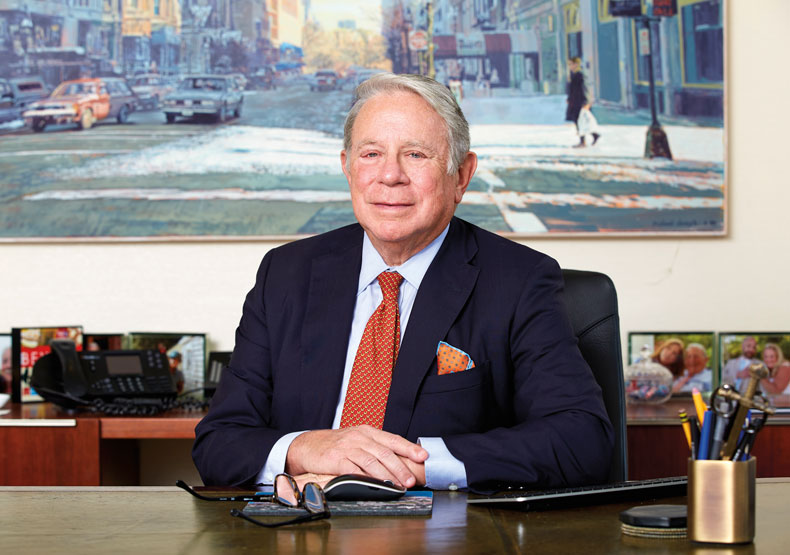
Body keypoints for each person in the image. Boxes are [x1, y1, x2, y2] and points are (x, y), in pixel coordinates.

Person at [192, 73, 613, 492]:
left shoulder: (519, 280)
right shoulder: (285, 274)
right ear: (347, 167)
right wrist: (304, 448)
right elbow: (219, 442)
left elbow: (581, 439)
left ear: (462, 175)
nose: (389, 175)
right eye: (371, 154)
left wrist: (411, 467)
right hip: (300, 530)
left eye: (415, 154)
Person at [565, 57, 601, 148]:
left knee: (580, 121)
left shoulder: (580, 75)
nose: (569, 66)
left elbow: (585, 89)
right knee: (580, 121)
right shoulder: (574, 74)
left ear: (576, 64)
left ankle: (584, 141)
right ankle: (594, 135)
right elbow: (572, 89)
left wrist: (586, 102)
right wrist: (569, 98)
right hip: (575, 101)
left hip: (580, 102)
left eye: (571, 64)